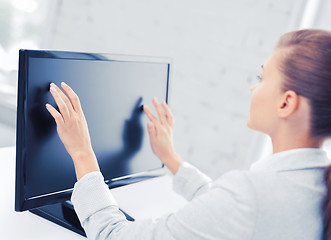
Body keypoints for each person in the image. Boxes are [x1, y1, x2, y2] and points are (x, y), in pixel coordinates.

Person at [46, 29, 331, 240]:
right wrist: (171, 159)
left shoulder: (252, 195)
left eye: (262, 78)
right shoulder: (313, 184)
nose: (252, 88)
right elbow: (229, 211)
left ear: (286, 102)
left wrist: (82, 151)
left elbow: (112, 235)